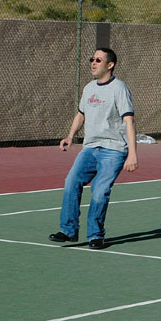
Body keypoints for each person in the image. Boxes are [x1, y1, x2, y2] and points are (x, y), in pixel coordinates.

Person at [49, 48, 138, 249]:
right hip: (89, 148)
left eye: (98, 60)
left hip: (113, 150)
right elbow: (81, 115)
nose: (93, 63)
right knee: (71, 181)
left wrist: (132, 154)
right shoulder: (89, 88)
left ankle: (95, 235)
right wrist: (70, 136)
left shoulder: (119, 88)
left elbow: (129, 121)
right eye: (92, 59)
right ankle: (68, 230)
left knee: (99, 191)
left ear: (110, 64)